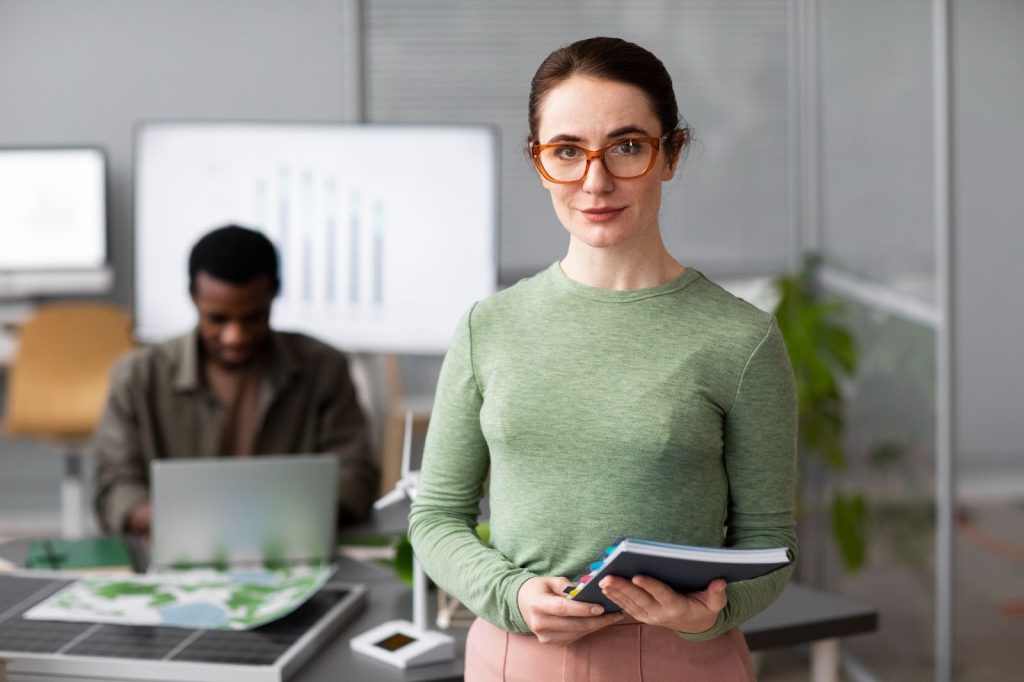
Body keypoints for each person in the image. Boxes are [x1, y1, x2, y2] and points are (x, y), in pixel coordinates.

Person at [409, 37, 797, 680]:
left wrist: (707, 616)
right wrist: (510, 595)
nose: (595, 181)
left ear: (670, 153)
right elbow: (437, 518)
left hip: (683, 660)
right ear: (539, 162)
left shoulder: (742, 339)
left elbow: (770, 545)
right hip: (516, 656)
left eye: (626, 147)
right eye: (567, 151)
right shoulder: (489, 328)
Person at [93, 225, 378, 535]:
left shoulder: (324, 369)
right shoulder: (138, 378)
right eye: (217, 319)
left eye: (253, 317)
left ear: (274, 294)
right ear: (193, 296)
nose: (235, 337)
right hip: (171, 554)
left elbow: (356, 476)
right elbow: (114, 486)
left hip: (295, 547)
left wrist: (283, 522)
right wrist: (187, 525)